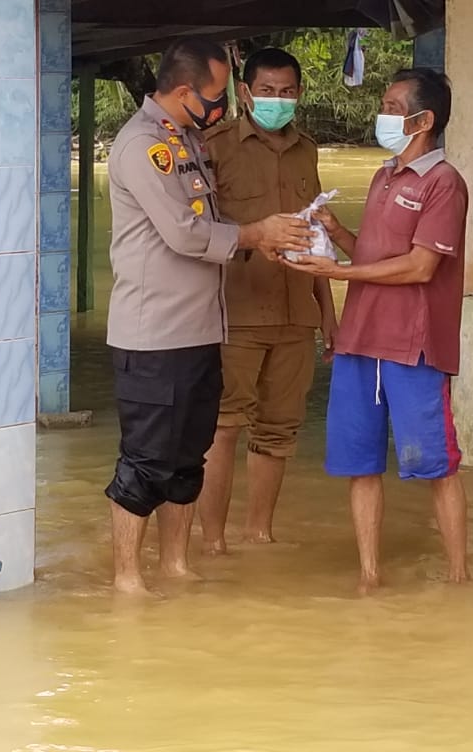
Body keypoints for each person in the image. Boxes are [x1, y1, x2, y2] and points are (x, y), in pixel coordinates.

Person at [105, 37, 312, 596]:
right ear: (183, 92)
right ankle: (127, 576)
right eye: (218, 94)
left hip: (199, 328)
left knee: (187, 459)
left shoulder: (185, 141)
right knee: (146, 460)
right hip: (154, 333)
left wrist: (257, 243)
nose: (222, 105)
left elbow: (206, 225)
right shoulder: (142, 146)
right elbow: (184, 232)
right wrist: (255, 233)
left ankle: (175, 564)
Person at [289, 68, 469, 593]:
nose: (383, 114)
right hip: (359, 341)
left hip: (413, 345)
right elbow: (374, 252)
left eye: (392, 105)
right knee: (359, 463)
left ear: (424, 119)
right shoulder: (384, 174)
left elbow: (419, 268)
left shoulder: (444, 183)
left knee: (436, 464)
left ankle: (460, 576)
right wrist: (334, 233)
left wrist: (336, 274)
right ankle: (370, 575)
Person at [198, 48, 338, 553]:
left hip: (296, 312)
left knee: (279, 431)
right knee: (222, 427)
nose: (277, 100)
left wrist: (328, 315)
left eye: (287, 92)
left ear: (299, 93)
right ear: (245, 92)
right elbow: (198, 232)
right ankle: (211, 541)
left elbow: (315, 234)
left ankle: (260, 533)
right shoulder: (214, 148)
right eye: (267, 91)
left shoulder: (307, 150)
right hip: (235, 311)